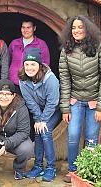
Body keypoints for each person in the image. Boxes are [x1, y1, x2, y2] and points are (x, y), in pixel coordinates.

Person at [59, 15, 101, 183]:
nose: (76, 31)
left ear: (87, 29)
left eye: (80, 27)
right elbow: (65, 79)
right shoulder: (66, 50)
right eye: (73, 28)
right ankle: (73, 170)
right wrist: (65, 108)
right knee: (73, 135)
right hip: (75, 101)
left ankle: (88, 170)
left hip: (94, 102)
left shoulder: (99, 48)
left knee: (91, 137)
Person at [19, 48, 62, 182]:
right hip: (39, 109)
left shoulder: (50, 79)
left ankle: (51, 167)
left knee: (45, 130)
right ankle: (38, 166)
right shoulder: (23, 80)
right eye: (27, 64)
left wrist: (43, 119)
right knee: (38, 131)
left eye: (33, 64)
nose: (29, 68)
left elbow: (53, 102)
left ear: (39, 65)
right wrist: (38, 119)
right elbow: (30, 102)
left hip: (54, 109)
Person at [8, 19, 50, 92]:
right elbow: (8, 60)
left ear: (34, 28)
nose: (25, 30)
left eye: (28, 27)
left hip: (31, 83)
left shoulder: (41, 44)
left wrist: (37, 79)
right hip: (14, 82)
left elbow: (45, 64)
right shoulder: (14, 43)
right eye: (23, 27)